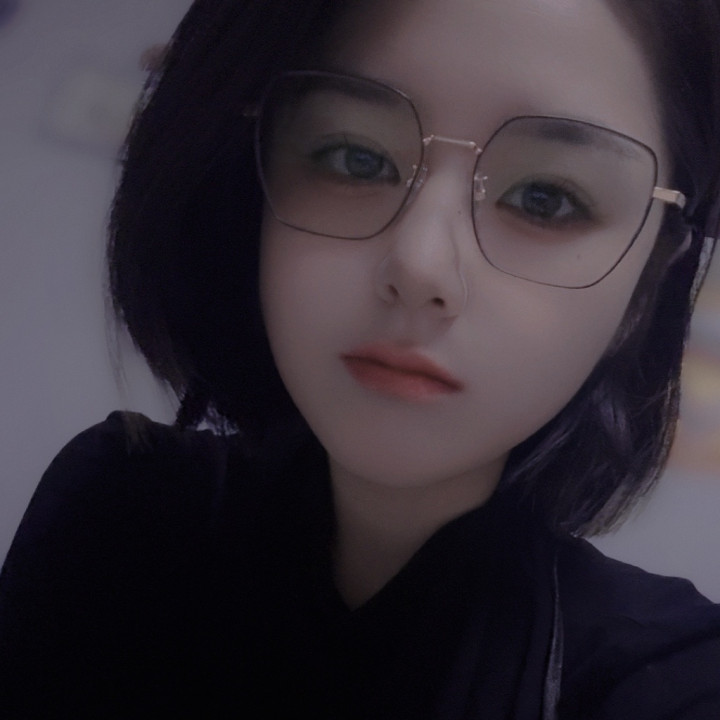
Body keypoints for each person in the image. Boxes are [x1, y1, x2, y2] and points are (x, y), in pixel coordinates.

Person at [1, 0, 720, 716]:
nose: (420, 264)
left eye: (545, 198)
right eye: (356, 157)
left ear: (646, 284)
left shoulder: (673, 677)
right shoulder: (118, 519)